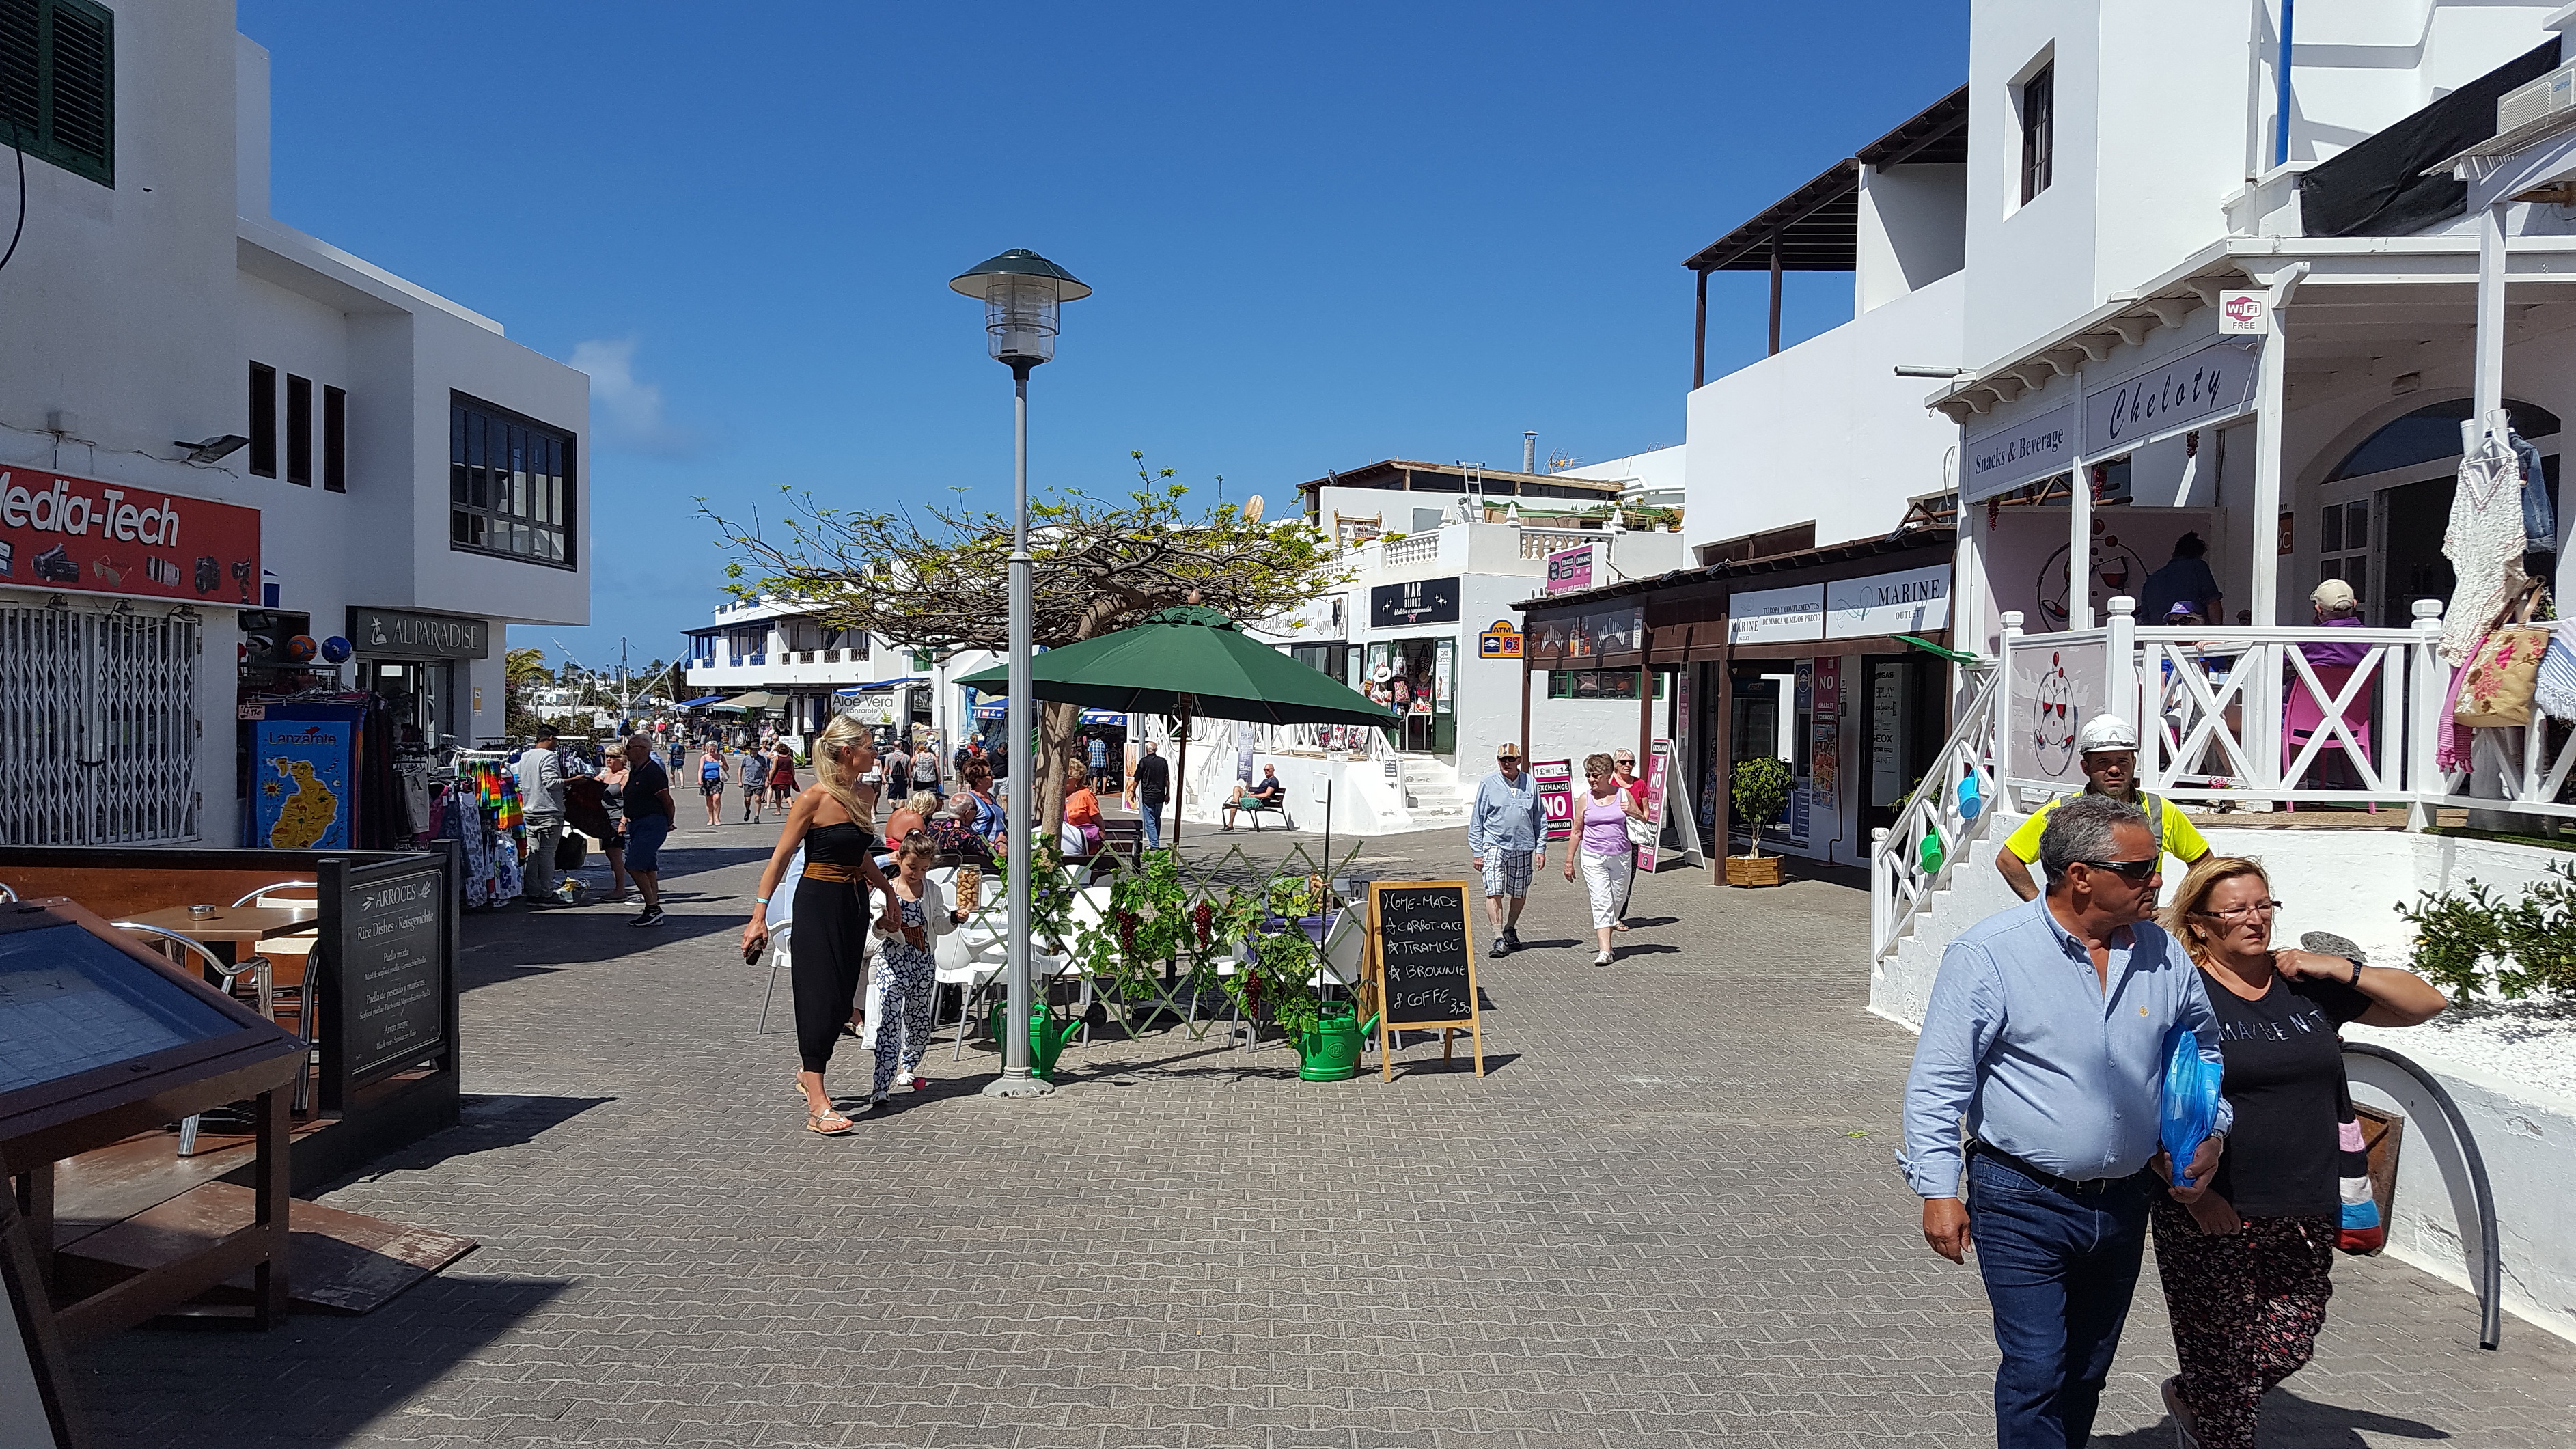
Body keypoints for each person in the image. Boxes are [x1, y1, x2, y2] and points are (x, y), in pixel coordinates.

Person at [1901, 793, 2232, 1449]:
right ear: (2080, 875)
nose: (2157, 879)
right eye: (2139, 869)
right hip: (2020, 1196)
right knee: (2035, 1366)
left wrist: (2209, 1131)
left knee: (2086, 1367)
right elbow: (1939, 1081)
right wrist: (1937, 1189)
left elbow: (2201, 1052)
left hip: (2123, 1201)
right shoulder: (1989, 954)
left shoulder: (2163, 955)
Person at [2150, 857, 2446, 1449]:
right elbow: (2148, 1096)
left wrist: (2335, 965)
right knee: (2228, 1379)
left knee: (2292, 1337)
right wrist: (2193, 1194)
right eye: (2234, 909)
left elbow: (2424, 1003)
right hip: (2216, 1207)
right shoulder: (2180, 991)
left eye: (2263, 904)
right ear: (2200, 922)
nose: (2254, 919)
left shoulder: (2304, 984)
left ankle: (2198, 1393)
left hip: (2307, 1201)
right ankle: (2214, 1406)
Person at [738, 715, 898, 1132]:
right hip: (816, 900)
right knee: (818, 994)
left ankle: (808, 1075)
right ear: (848, 752)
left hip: (852, 901)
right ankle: (818, 1099)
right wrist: (759, 916)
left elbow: (859, 855)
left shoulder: (863, 795)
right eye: (869, 745)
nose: (875, 751)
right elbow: (781, 857)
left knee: (844, 994)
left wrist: (889, 891)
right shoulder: (813, 798)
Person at [1997, 715, 2211, 902]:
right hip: (2079, 934)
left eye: (2122, 761)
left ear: (2134, 763)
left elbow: (2205, 865)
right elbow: (2008, 860)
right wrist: (2040, 907)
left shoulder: (2160, 810)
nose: (2115, 769)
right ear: (2085, 767)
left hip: (2141, 931)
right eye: (2103, 762)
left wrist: (2178, 911)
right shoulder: (2061, 813)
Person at [869, 831, 962, 1105]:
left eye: (923, 869)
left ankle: (908, 1065)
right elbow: (875, 926)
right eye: (912, 867)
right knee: (889, 1020)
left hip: (923, 963)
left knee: (919, 1019)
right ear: (899, 859)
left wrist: (955, 918)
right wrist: (883, 924)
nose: (917, 874)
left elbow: (939, 927)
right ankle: (881, 1083)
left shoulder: (932, 890)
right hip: (893, 961)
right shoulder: (885, 890)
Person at [1563, 752, 1646, 967]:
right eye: (1588, 775)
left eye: (1595, 775)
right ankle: (1605, 950)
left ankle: (1608, 938)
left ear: (1608, 775)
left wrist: (1634, 812)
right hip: (1593, 857)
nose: (1591, 779)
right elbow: (1576, 831)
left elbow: (1643, 818)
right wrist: (1569, 861)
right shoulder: (1585, 799)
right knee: (1601, 901)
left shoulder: (1624, 795)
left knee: (1617, 901)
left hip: (1621, 856)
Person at [1467, 743, 1547, 956]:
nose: (1507, 763)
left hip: (1523, 845)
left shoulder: (1531, 783)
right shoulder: (1488, 784)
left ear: (1519, 761)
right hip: (1494, 844)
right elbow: (1478, 818)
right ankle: (1498, 937)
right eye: (1503, 759)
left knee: (1519, 892)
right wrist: (1478, 851)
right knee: (1494, 890)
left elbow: (1540, 817)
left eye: (1511, 759)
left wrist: (1541, 848)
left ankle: (1510, 928)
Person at [619, 734, 678, 927]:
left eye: (630, 746)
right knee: (649, 865)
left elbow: (667, 800)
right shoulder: (636, 771)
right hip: (636, 822)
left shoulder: (652, 771)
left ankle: (652, 908)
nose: (626, 751)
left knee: (633, 864)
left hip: (651, 822)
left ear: (643, 749)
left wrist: (668, 821)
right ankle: (654, 904)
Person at [514, 728, 568, 905]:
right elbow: (551, 782)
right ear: (550, 738)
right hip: (548, 811)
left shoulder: (525, 756)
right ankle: (546, 892)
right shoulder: (549, 756)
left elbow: (521, 784)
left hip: (529, 811)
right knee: (546, 853)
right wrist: (573, 781)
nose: (557, 744)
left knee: (533, 853)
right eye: (556, 740)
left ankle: (533, 891)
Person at [566, 763, 631, 905]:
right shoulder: (605, 773)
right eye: (608, 756)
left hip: (616, 818)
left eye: (613, 757)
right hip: (604, 818)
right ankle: (619, 888)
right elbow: (593, 786)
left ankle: (621, 890)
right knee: (610, 854)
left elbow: (629, 801)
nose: (609, 760)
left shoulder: (625, 775)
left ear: (622, 759)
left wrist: (623, 821)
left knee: (616, 855)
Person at [2138, 531, 2224, 627]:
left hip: (2159, 638)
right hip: (2191, 636)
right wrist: (2216, 633)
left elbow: (2145, 619)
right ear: (2198, 554)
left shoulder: (2152, 579)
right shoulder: (2197, 566)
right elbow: (2213, 602)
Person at [2298, 577, 2371, 670]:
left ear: (2319, 609)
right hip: (2361, 684)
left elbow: (2277, 658)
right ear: (2354, 604)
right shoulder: (2373, 641)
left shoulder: (2309, 641)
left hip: (2311, 684)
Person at [928, 791, 996, 866]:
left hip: (933, 871)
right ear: (967, 813)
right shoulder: (969, 835)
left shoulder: (933, 826)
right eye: (976, 808)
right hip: (961, 874)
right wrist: (999, 843)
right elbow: (992, 853)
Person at [1126, 739, 1170, 849]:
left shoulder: (1144, 762)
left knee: (1150, 820)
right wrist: (1168, 793)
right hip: (1160, 795)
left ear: (1147, 750)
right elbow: (1167, 779)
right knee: (1157, 819)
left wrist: (1132, 791)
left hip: (1148, 796)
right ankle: (1154, 841)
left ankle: (1154, 844)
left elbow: (1137, 778)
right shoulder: (1163, 761)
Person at [1221, 764, 1285, 831]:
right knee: (1237, 788)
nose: (1266, 771)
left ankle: (1230, 825)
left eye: (1268, 770)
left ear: (1273, 770)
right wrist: (1252, 793)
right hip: (1254, 797)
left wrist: (1253, 796)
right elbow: (1260, 791)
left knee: (1235, 800)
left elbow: (1266, 795)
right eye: (1265, 769)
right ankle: (1235, 803)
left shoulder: (1273, 781)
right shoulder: (1265, 780)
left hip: (1259, 801)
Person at [961, 762, 1005, 844]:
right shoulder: (971, 801)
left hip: (1000, 847)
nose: (993, 776)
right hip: (984, 850)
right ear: (979, 781)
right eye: (989, 774)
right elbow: (965, 827)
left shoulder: (990, 797)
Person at [1063, 770, 1104, 853]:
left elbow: (1098, 820)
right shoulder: (1059, 795)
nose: (1063, 779)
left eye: (1067, 776)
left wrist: (1102, 837)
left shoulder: (1086, 795)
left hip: (1084, 843)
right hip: (1064, 841)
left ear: (1077, 779)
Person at [697, 743, 726, 827]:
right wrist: (699, 779)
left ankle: (717, 818)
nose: (713, 751)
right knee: (709, 800)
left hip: (717, 780)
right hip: (706, 781)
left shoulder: (720, 757)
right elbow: (701, 769)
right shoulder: (704, 758)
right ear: (707, 749)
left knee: (716, 798)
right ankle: (711, 818)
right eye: (711, 749)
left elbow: (727, 768)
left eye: (714, 749)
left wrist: (723, 765)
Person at [737, 745, 767, 825]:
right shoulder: (746, 758)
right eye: (753, 750)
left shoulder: (762, 759)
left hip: (759, 781)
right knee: (747, 800)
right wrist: (740, 781)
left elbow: (765, 769)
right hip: (748, 782)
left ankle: (757, 816)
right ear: (750, 750)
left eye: (756, 750)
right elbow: (741, 768)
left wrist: (767, 780)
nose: (754, 751)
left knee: (757, 799)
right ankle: (748, 810)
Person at [766, 741, 799, 814]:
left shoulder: (777, 758)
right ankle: (791, 805)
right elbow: (792, 769)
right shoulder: (789, 758)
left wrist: (769, 778)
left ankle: (778, 810)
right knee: (787, 794)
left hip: (778, 778)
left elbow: (773, 769)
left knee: (778, 795)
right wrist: (793, 777)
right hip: (787, 777)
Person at [911, 739, 942, 803]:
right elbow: (937, 767)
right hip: (931, 778)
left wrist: (914, 755)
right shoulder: (932, 755)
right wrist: (939, 778)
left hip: (920, 779)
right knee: (931, 794)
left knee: (920, 795)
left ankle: (921, 806)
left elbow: (910, 765)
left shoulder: (917, 756)